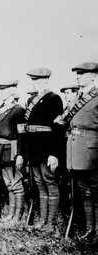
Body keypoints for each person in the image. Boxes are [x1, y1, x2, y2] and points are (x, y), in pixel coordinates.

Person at [57, 62, 98, 240]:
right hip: (76, 148)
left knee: (96, 190)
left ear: (94, 76)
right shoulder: (77, 98)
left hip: (92, 148)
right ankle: (90, 230)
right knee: (84, 190)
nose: (78, 76)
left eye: (82, 73)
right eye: (77, 73)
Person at [24, 68, 63, 231]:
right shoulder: (31, 99)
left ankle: (51, 223)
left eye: (38, 80)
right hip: (33, 148)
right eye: (34, 80)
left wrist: (54, 153)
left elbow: (58, 129)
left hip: (46, 147)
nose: (35, 83)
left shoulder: (54, 98)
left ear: (47, 80)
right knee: (39, 184)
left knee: (49, 182)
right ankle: (43, 221)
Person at [0, 80, 26, 224]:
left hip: (11, 150)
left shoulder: (18, 110)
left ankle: (18, 215)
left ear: (12, 91)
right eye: (0, 90)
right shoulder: (2, 108)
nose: (1, 93)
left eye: (4, 90)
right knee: (8, 183)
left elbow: (22, 134)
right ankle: (11, 213)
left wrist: (20, 155)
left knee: (16, 183)